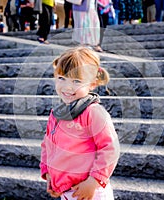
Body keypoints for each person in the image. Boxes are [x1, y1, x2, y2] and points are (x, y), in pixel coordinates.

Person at [40, 46, 120, 200]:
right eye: (61, 78)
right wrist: (49, 173)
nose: (67, 86)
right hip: (67, 191)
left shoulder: (93, 113)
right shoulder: (56, 114)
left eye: (76, 81)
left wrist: (94, 181)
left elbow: (110, 148)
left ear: (92, 84)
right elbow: (47, 145)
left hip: (91, 190)